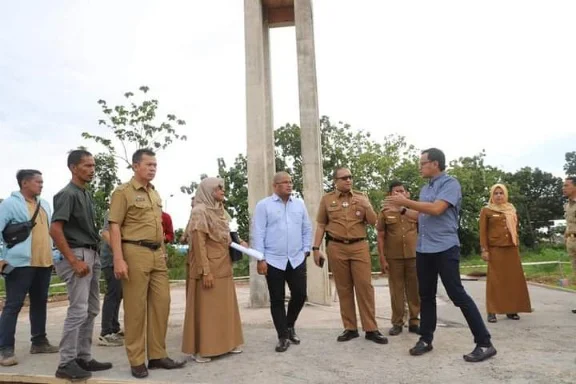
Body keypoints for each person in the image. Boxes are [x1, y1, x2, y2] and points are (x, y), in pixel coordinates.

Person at [385, 147, 496, 362]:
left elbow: (436, 209)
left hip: (445, 248)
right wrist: (401, 211)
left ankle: (484, 342)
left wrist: (404, 201)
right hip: (424, 249)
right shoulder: (426, 188)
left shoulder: (450, 184)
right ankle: (425, 339)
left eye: (422, 163)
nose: (420, 167)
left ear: (435, 163)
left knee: (457, 294)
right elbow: (421, 215)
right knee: (426, 296)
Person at [109, 148, 186, 378]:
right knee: (135, 309)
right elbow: (114, 226)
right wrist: (118, 258)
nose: (153, 168)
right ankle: (136, 360)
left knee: (161, 305)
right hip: (134, 252)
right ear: (135, 166)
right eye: (148, 164)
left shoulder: (154, 193)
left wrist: (162, 251)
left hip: (156, 254)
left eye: (155, 165)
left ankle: (157, 355)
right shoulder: (123, 192)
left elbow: (159, 228)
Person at [50, 150, 112, 380]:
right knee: (78, 310)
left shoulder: (84, 194)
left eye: (93, 165)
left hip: (91, 254)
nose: (92, 169)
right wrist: (73, 260)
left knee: (92, 309)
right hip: (77, 254)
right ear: (73, 168)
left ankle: (82, 357)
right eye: (87, 165)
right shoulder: (67, 194)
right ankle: (66, 362)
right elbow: (55, 229)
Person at [312, 167, 388, 345]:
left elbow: (373, 222)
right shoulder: (327, 199)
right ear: (335, 181)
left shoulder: (361, 197)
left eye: (350, 177)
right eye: (344, 177)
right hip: (336, 246)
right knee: (343, 288)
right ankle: (350, 328)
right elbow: (321, 225)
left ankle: (371, 329)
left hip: (359, 245)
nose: (348, 180)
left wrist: (367, 205)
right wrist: (315, 248)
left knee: (365, 287)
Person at [0, 170, 59, 367]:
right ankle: (4, 349)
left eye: (42, 181)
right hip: (19, 265)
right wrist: (1, 259)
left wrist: (55, 256)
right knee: (13, 306)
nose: (41, 185)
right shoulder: (10, 204)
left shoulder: (45, 205)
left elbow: (49, 234)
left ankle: (39, 341)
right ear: (24, 183)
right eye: (37, 181)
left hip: (43, 263)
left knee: (40, 303)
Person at [181, 177, 244, 362]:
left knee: (224, 307)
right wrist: (205, 271)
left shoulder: (219, 210)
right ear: (209, 191)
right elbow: (198, 244)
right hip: (208, 267)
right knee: (207, 310)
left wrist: (239, 243)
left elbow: (225, 236)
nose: (223, 191)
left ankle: (227, 344)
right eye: (219, 188)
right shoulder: (199, 212)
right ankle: (204, 349)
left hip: (223, 264)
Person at [252, 172, 312, 352]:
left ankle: (289, 324)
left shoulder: (299, 204)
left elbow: (306, 228)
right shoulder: (264, 206)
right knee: (277, 299)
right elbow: (259, 232)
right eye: (284, 182)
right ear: (275, 186)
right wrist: (260, 258)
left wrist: (306, 249)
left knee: (300, 294)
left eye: (290, 182)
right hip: (272, 260)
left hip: (296, 258)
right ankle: (282, 336)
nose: (289, 185)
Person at [480, 184, 531, 323]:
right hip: (495, 248)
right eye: (495, 193)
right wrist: (484, 250)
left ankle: (511, 310)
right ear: (492, 195)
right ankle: (492, 311)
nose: (498, 196)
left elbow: (515, 230)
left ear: (505, 194)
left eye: (501, 193)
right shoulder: (486, 210)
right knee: (495, 281)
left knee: (512, 280)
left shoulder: (511, 209)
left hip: (511, 248)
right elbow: (483, 232)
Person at [377, 181, 420, 336]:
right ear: (390, 195)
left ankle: (415, 321)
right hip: (394, 258)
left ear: (407, 194)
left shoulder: (415, 210)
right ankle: (397, 322)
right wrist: (382, 258)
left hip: (414, 257)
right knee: (396, 291)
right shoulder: (385, 212)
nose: (399, 193)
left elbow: (423, 232)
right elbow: (381, 236)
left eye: (402, 191)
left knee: (414, 290)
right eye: (396, 191)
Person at [97, 212, 124, 347]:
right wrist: (119, 251)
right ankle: (105, 332)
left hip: (116, 260)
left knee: (118, 294)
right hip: (111, 261)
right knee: (113, 294)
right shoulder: (112, 213)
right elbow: (106, 233)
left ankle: (114, 327)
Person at [562, 177, 576, 313]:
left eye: (566, 185)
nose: (563, 188)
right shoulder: (568, 204)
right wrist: (566, 237)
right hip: (572, 241)